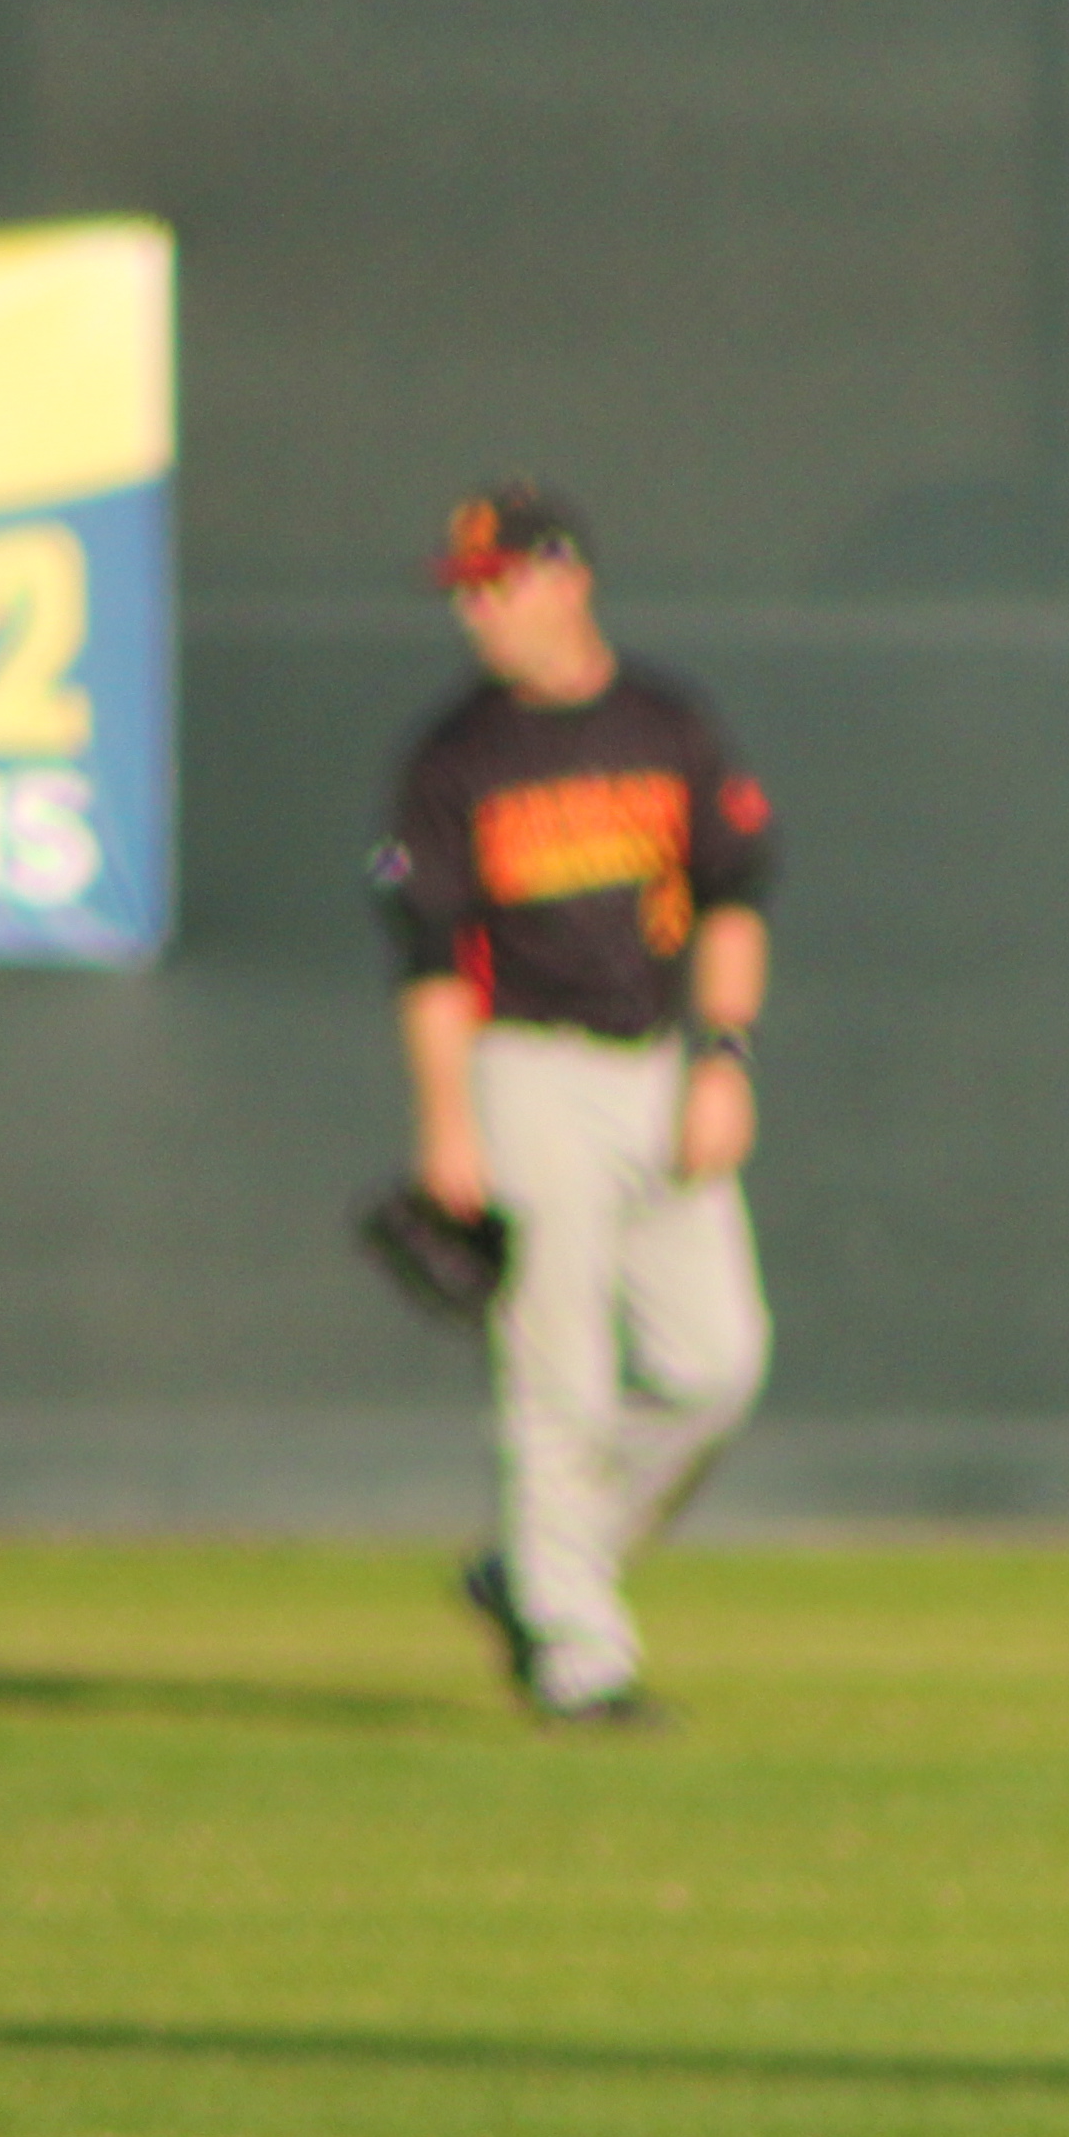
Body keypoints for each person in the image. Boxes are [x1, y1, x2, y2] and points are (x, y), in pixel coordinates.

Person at [376, 483, 778, 1729]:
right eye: (467, 591)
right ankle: (577, 1656)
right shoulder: (455, 759)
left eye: (498, 583)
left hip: (658, 1064)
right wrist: (448, 1123)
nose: (479, 612)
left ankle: (537, 1570)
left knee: (716, 1364)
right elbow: (431, 963)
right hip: (524, 1071)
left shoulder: (668, 724)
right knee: (561, 1381)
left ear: (568, 579)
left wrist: (725, 1059)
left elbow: (732, 896)